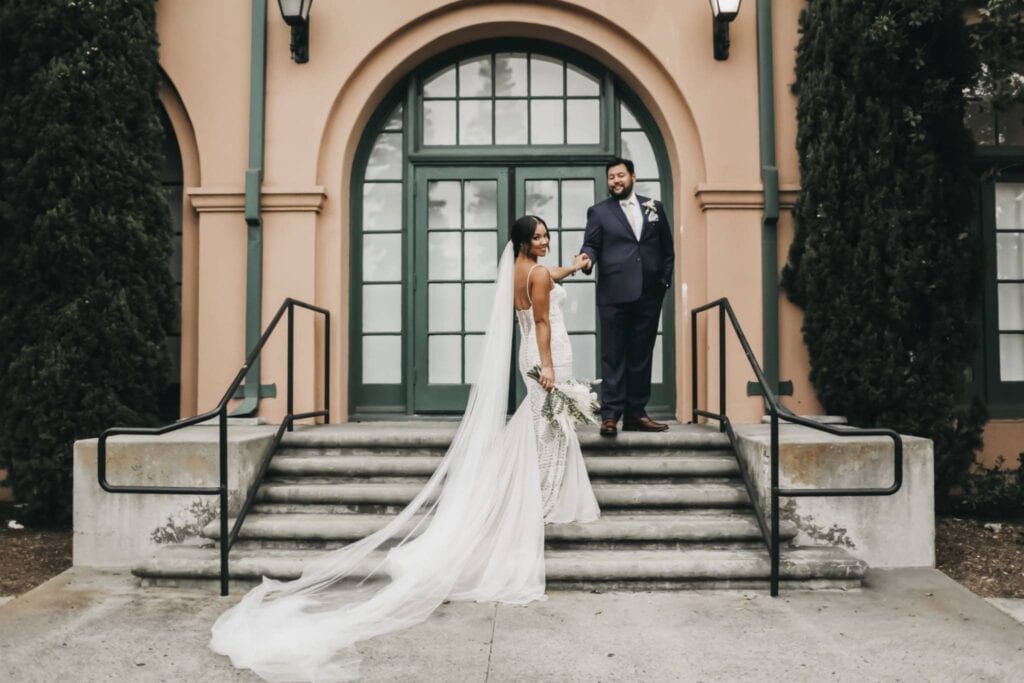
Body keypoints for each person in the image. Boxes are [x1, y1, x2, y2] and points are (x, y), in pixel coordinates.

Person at [209, 215, 598, 682]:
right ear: (523, 242)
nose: (545, 242)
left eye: (547, 236)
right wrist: (551, 367)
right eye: (539, 238)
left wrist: (572, 268)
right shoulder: (534, 273)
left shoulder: (521, 269)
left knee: (544, 427)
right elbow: (540, 320)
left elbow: (545, 279)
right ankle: (537, 497)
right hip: (545, 356)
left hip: (535, 357)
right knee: (546, 428)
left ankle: (535, 493)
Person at [579, 157, 674, 438]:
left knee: (641, 356)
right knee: (613, 355)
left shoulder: (654, 208)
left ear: (633, 176)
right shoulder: (599, 212)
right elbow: (591, 245)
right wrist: (586, 259)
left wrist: (663, 282)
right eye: (611, 177)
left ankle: (636, 414)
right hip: (613, 294)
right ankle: (610, 416)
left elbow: (667, 250)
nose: (616, 181)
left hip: (648, 294)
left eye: (620, 175)